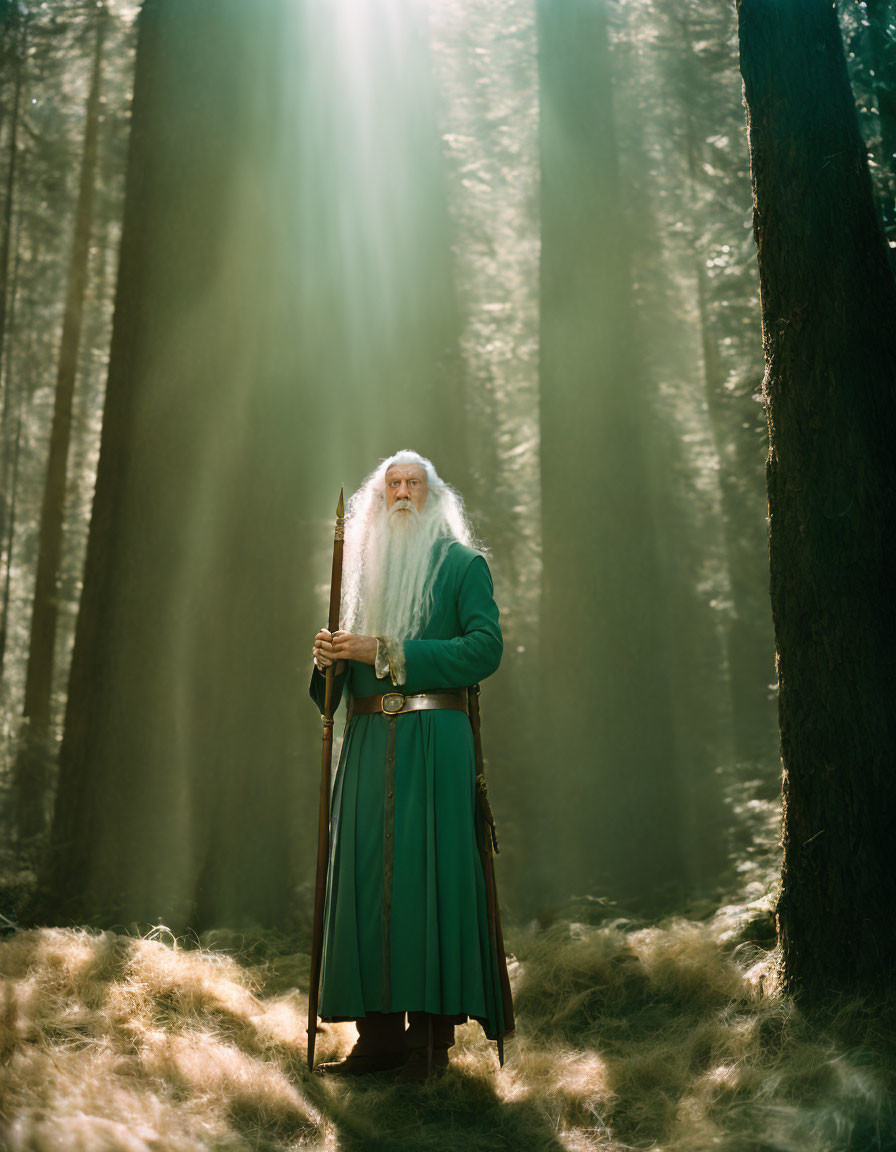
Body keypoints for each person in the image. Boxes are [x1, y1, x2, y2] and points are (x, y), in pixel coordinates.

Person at [309, 448, 511, 1080]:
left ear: (433, 496)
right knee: (370, 878)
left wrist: (387, 650)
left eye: (413, 485)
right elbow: (333, 694)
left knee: (432, 875)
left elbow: (484, 648)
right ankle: (377, 1040)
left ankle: (430, 1040)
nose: (401, 494)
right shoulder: (361, 574)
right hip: (368, 744)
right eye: (391, 484)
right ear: (377, 498)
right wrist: (328, 663)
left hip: (436, 741)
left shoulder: (461, 565)